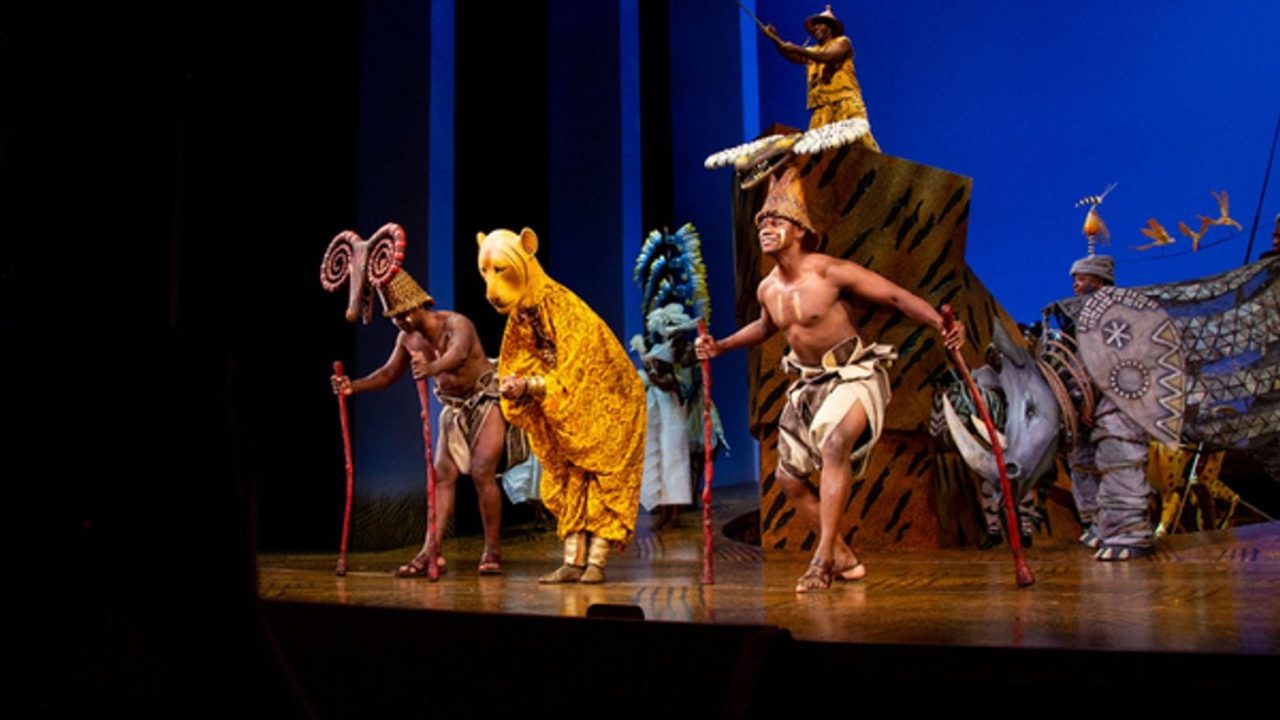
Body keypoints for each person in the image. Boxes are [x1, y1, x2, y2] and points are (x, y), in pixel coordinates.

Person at [695, 170, 963, 591]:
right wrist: (721, 346)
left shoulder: (831, 273)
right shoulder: (768, 289)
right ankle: (843, 556)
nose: (766, 229)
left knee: (836, 443)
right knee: (787, 478)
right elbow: (765, 327)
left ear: (800, 231)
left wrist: (940, 323)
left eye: (775, 221)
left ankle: (821, 561)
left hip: (854, 376)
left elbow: (895, 296)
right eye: (762, 223)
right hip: (809, 386)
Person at [478, 227, 646, 584]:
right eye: (486, 272)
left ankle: (596, 563)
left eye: (501, 271)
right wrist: (516, 385)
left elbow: (580, 368)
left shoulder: (566, 308)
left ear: (527, 252)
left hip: (610, 399)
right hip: (564, 404)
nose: (491, 290)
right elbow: (519, 360)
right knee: (568, 476)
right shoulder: (522, 314)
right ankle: (572, 561)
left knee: (603, 479)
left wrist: (530, 385)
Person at [331, 270, 519, 576]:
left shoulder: (456, 324)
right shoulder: (407, 338)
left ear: (419, 304)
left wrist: (431, 367)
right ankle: (431, 551)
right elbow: (388, 374)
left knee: (482, 472)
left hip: (485, 400)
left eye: (405, 312)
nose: (402, 320)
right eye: (395, 317)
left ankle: (492, 550)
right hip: (453, 409)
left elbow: (458, 355)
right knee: (441, 475)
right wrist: (354, 386)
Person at [1064, 254, 1155, 560]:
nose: (1076, 285)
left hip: (1119, 405)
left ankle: (1130, 532)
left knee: (1119, 458)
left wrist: (1095, 397)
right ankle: (1101, 525)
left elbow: (1116, 361)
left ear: (1099, 280)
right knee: (1083, 459)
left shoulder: (1118, 314)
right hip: (1090, 406)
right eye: (1074, 279)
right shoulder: (1081, 319)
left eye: (1082, 278)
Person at [764, 4, 881, 150]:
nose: (816, 28)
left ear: (830, 28)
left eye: (821, 24)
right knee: (818, 151)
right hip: (821, 110)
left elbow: (828, 56)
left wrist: (798, 49)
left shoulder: (842, 43)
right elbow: (792, 55)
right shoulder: (813, 51)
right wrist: (774, 39)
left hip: (845, 104)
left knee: (859, 145)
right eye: (815, 25)